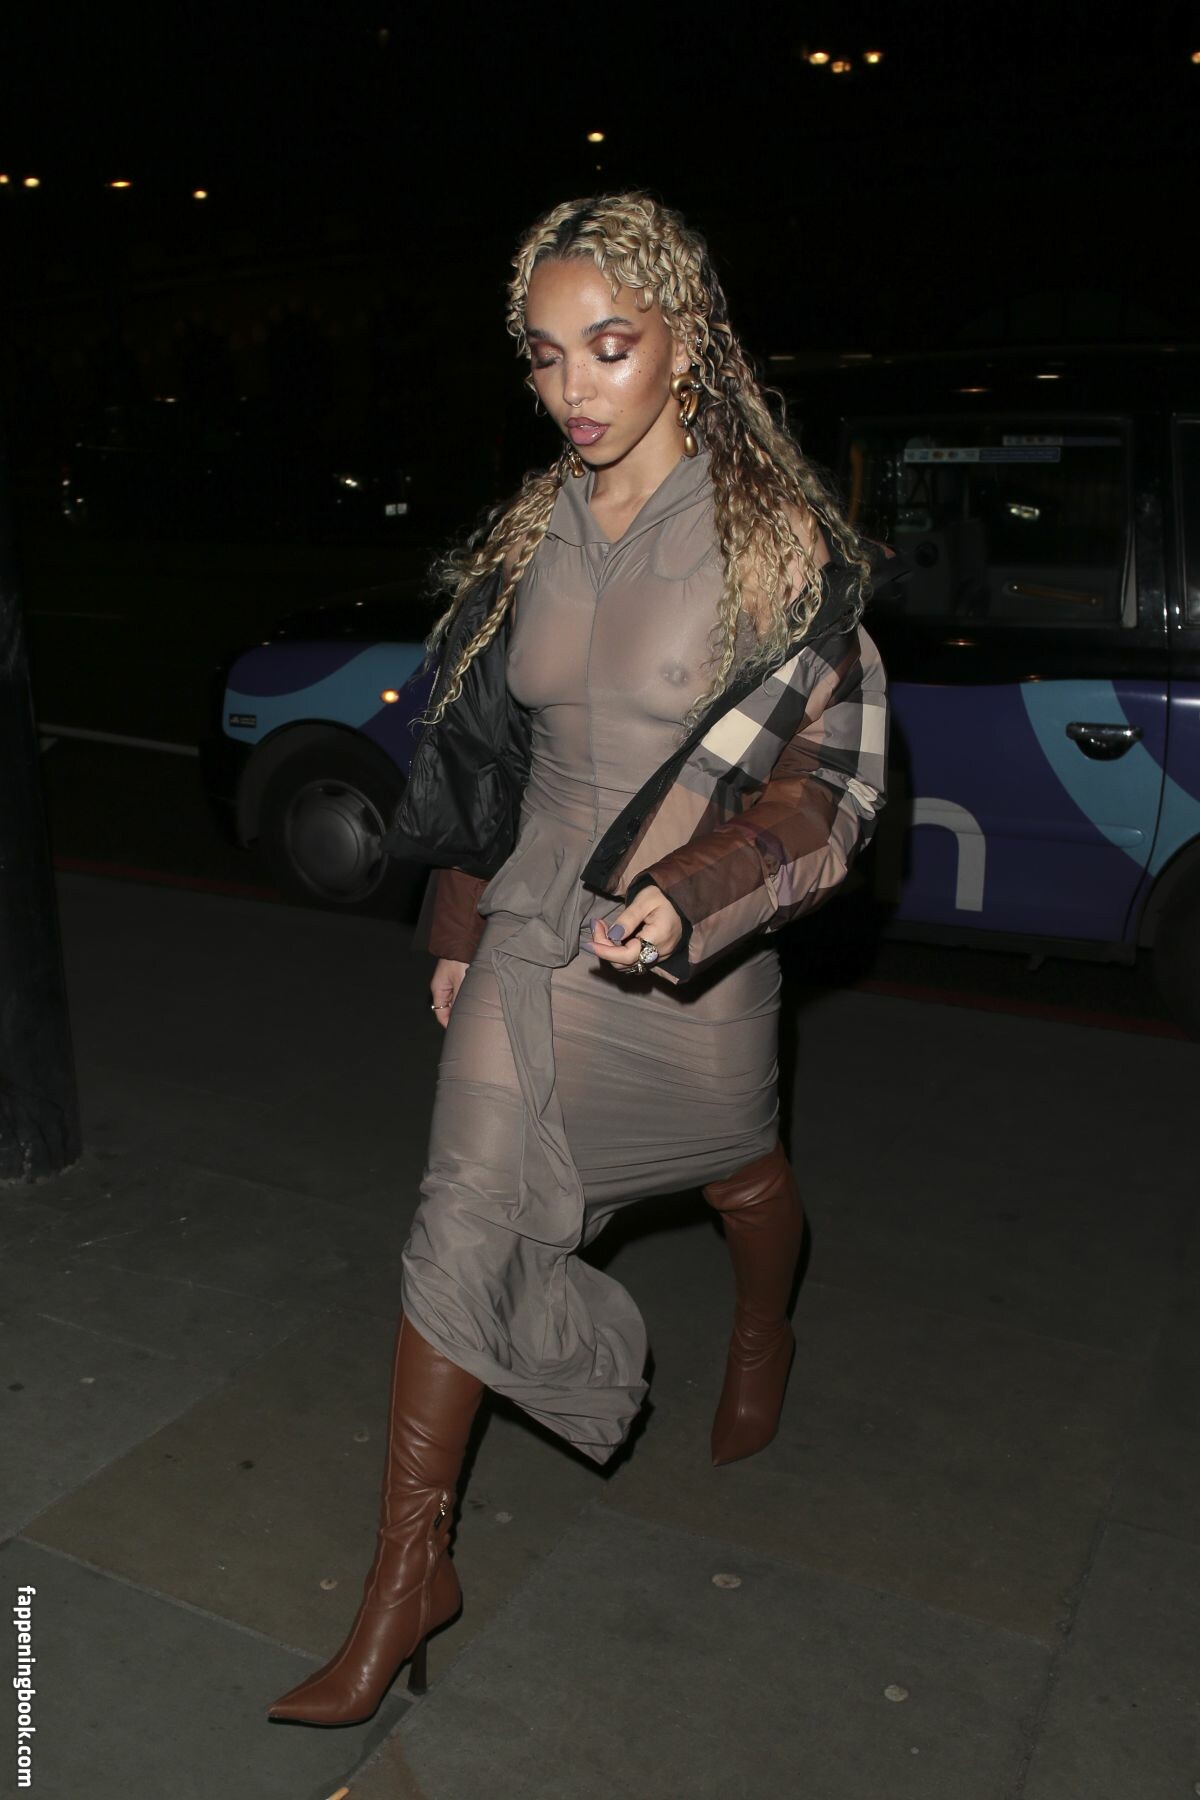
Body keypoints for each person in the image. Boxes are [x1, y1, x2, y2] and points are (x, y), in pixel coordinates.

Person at [268, 192, 892, 1729]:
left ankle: (763, 1322)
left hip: (690, 943)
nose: (573, 389)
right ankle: (406, 1573)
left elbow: (831, 788)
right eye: (545, 357)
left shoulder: (775, 547)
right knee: (460, 1211)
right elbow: (485, 762)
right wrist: (458, 927)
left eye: (608, 347)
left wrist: (693, 892)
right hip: (535, 920)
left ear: (687, 342)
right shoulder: (530, 537)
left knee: (738, 1168)